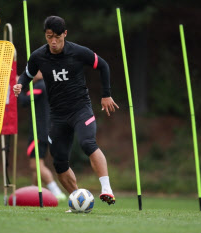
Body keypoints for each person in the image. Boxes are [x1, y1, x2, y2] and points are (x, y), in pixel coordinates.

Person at [13, 16, 119, 205]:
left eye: (57, 37)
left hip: (80, 109)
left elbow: (103, 65)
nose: (53, 42)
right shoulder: (38, 56)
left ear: (65, 34)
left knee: (87, 143)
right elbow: (27, 74)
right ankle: (79, 199)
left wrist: (106, 95)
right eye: (49, 37)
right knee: (59, 162)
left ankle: (107, 189)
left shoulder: (78, 52)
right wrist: (20, 85)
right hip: (58, 116)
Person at [18, 72, 66, 201]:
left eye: (37, 70)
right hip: (46, 130)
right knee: (38, 165)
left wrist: (17, 86)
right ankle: (34, 191)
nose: (33, 73)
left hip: (39, 132)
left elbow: (24, 101)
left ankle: (56, 191)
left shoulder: (40, 86)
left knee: (36, 165)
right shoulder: (49, 86)